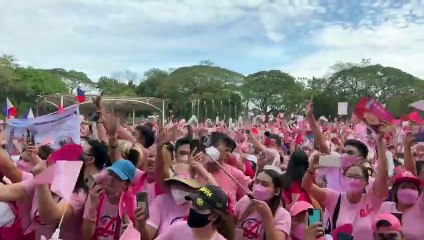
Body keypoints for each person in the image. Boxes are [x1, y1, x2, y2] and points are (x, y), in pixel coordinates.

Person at [302, 134, 389, 239]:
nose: (344, 155)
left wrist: (380, 143)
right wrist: (311, 169)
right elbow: (320, 151)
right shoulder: (335, 165)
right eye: (343, 152)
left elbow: (383, 175)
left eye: (350, 153)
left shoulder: (372, 189)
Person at [151, 184, 234, 240]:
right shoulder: (177, 229)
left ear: (214, 216)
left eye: (199, 207)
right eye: (193, 204)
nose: (193, 209)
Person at [81, 159, 136, 240]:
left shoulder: (133, 203)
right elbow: (86, 236)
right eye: (110, 174)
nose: (111, 180)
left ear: (127, 184)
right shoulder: (96, 196)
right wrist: (92, 208)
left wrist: (129, 233)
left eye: (118, 177)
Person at [235, 166, 291, 240]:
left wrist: (267, 216)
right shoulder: (244, 201)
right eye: (257, 182)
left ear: (277, 191)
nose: (258, 186)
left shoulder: (283, 215)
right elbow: (232, 226)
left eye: (265, 184)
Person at [379, 170, 424, 239]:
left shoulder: (420, 208)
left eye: (412, 188)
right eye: (404, 187)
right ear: (395, 190)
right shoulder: (385, 207)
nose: (408, 191)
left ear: (418, 192)